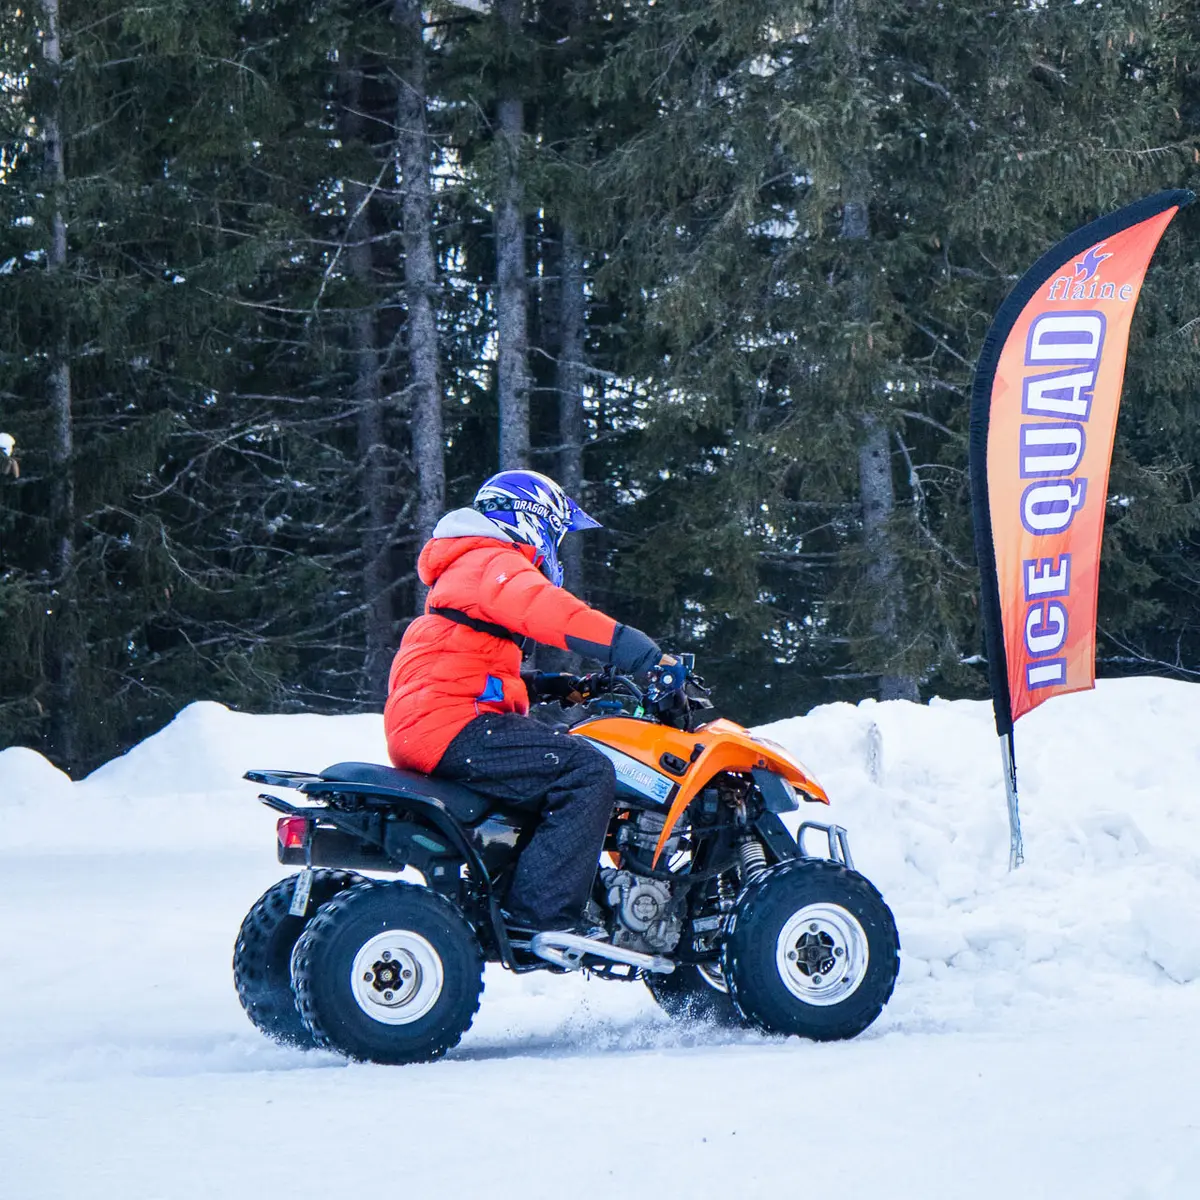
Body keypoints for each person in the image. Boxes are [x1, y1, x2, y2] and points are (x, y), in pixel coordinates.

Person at [384, 470, 671, 937]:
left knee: (554, 761)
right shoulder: (492, 559)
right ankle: (541, 916)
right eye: (555, 533)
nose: (555, 547)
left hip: (433, 722)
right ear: (531, 518)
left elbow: (467, 666)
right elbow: (552, 611)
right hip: (454, 725)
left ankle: (521, 888)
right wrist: (644, 654)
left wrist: (556, 686)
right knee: (587, 771)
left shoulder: (466, 567)